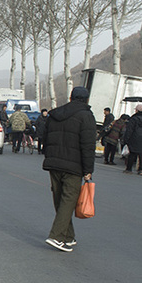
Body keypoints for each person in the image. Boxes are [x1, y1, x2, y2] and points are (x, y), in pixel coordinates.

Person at [39, 86, 96, 252]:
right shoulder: (86, 116)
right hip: (74, 166)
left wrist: (48, 156)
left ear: (71, 97)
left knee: (61, 200)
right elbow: (88, 146)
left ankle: (68, 237)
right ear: (86, 100)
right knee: (68, 200)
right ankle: (56, 236)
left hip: (54, 163)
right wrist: (88, 170)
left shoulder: (55, 114)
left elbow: (45, 137)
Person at [122, 103, 142, 174]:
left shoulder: (134, 119)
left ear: (137, 110)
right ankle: (141, 170)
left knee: (132, 154)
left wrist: (126, 140)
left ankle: (129, 169)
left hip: (134, 138)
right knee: (141, 155)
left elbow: (129, 130)